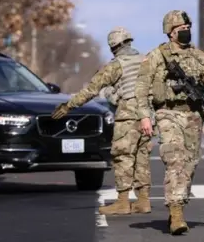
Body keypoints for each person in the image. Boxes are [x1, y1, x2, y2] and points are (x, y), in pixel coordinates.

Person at [134, 10, 204, 235]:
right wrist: (144, 116)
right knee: (175, 159)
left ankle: (179, 204)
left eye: (187, 29)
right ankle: (176, 213)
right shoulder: (157, 56)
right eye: (180, 30)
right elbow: (142, 87)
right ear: (170, 32)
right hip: (168, 113)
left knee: (190, 163)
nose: (185, 33)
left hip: (194, 116)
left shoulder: (199, 57)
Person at [51, 27, 153, 215]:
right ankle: (143, 200)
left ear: (113, 46)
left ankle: (122, 202)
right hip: (147, 116)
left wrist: (68, 106)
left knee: (122, 156)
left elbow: (91, 89)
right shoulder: (145, 60)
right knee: (141, 157)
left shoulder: (116, 65)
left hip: (128, 115)